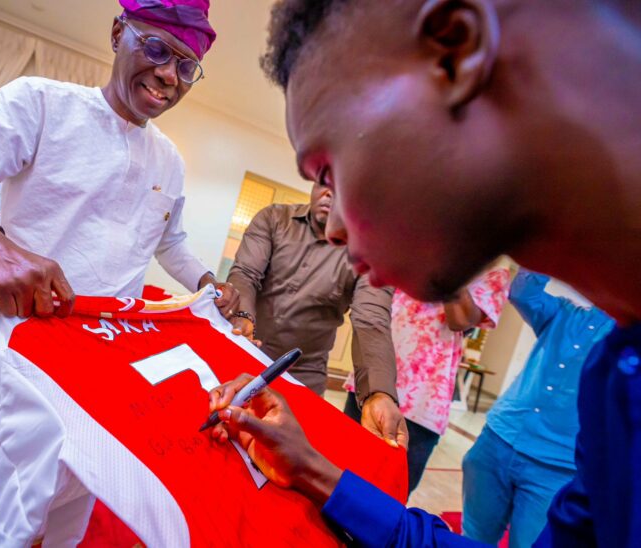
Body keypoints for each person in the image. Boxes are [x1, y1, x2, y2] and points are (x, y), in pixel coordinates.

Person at [207, 0, 641, 546]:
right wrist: (314, 472)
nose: (334, 226)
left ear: (455, 50)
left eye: (331, 167)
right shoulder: (614, 378)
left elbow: (373, 317)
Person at [0, 1, 239, 545]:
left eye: (186, 65)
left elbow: (171, 242)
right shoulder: (42, 105)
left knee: (67, 505)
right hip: (19, 357)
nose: (169, 74)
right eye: (157, 49)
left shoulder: (169, 159)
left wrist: (205, 282)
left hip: (103, 370)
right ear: (119, 32)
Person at [227, 181, 406, 446]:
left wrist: (378, 394)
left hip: (303, 376)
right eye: (324, 182)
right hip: (243, 352)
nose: (330, 191)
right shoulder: (274, 218)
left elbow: (371, 320)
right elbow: (245, 274)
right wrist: (243, 318)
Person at [463, 270, 614, 547]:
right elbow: (522, 292)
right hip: (497, 440)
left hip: (555, 467)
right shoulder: (564, 313)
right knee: (472, 537)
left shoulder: (622, 340)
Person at [346, 269, 509, 493]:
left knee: (388, 495)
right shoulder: (419, 238)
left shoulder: (493, 268)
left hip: (422, 398)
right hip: (370, 375)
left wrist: (449, 261)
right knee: (339, 470)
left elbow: (460, 319)